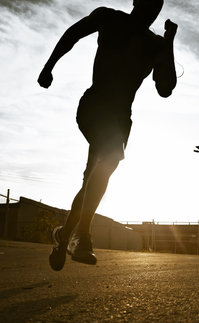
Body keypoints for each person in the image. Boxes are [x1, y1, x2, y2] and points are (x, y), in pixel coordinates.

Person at [37, 0, 177, 270]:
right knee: (109, 160)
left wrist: (170, 42)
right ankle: (82, 237)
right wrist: (49, 65)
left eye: (157, 5)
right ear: (136, 0)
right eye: (148, 1)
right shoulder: (110, 18)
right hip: (94, 106)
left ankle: (64, 236)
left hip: (121, 120)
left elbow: (166, 88)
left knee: (92, 178)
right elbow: (72, 34)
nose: (152, 8)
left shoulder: (156, 45)